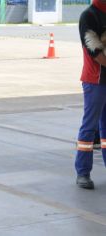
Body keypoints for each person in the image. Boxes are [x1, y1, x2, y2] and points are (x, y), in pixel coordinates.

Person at [75, 0, 106, 190]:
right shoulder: (89, 16)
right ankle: (83, 172)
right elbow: (95, 51)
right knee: (89, 127)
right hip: (95, 80)